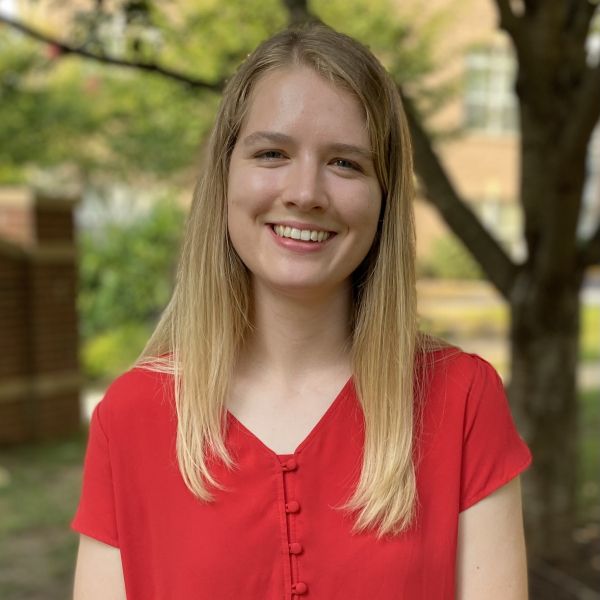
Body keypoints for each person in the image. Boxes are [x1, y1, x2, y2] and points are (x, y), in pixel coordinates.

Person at [71, 22, 532, 600]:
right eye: (272, 153)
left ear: (384, 198)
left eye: (345, 163)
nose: (305, 191)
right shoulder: (131, 417)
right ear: (224, 177)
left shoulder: (460, 401)